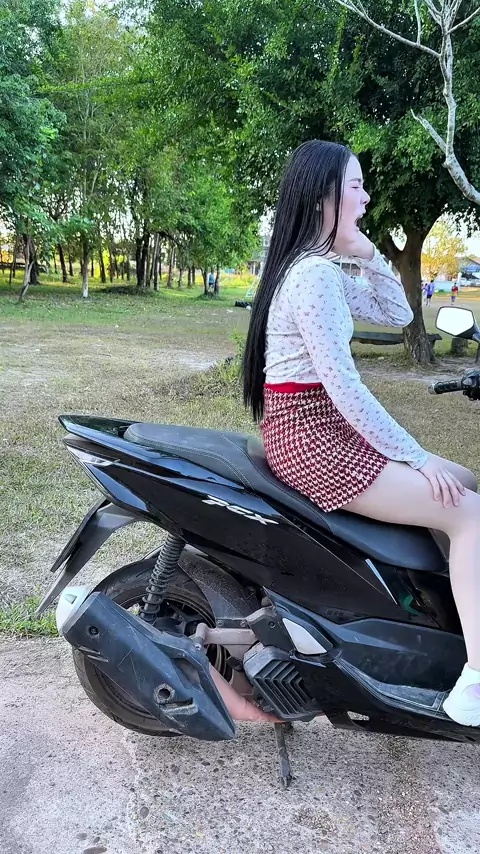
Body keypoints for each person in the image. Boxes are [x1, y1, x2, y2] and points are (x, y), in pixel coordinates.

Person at [243, 139, 480, 727]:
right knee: (468, 513)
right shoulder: (312, 276)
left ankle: (442, 624)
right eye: (356, 186)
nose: (367, 196)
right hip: (313, 440)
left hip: (320, 428)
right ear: (323, 197)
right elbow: (344, 388)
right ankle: (473, 684)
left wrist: (369, 251)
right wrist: (416, 456)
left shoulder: (315, 267)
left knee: (466, 480)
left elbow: (399, 315)